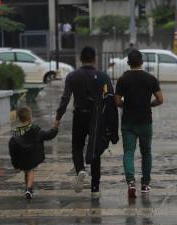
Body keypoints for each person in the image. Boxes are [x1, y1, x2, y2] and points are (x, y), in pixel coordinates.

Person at [54, 46, 117, 198]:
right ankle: (95, 188)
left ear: (80, 59)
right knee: (95, 149)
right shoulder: (103, 77)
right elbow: (110, 101)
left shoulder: (72, 76)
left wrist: (57, 118)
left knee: (77, 146)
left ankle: (80, 169)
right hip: (97, 119)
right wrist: (112, 126)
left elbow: (65, 99)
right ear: (94, 59)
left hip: (79, 116)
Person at [115, 49, 163, 198]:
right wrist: (149, 105)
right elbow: (160, 99)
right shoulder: (150, 79)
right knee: (146, 152)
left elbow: (117, 101)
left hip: (128, 122)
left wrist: (126, 105)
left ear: (129, 63)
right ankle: (145, 184)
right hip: (145, 122)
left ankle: (130, 182)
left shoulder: (123, 79)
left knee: (128, 152)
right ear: (142, 62)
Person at [9, 107, 58, 199]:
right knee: (30, 170)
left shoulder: (16, 132)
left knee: (26, 172)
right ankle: (29, 189)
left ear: (19, 118)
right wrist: (55, 128)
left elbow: (12, 145)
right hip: (32, 156)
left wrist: (14, 160)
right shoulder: (35, 130)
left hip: (21, 157)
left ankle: (27, 187)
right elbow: (48, 135)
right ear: (30, 117)